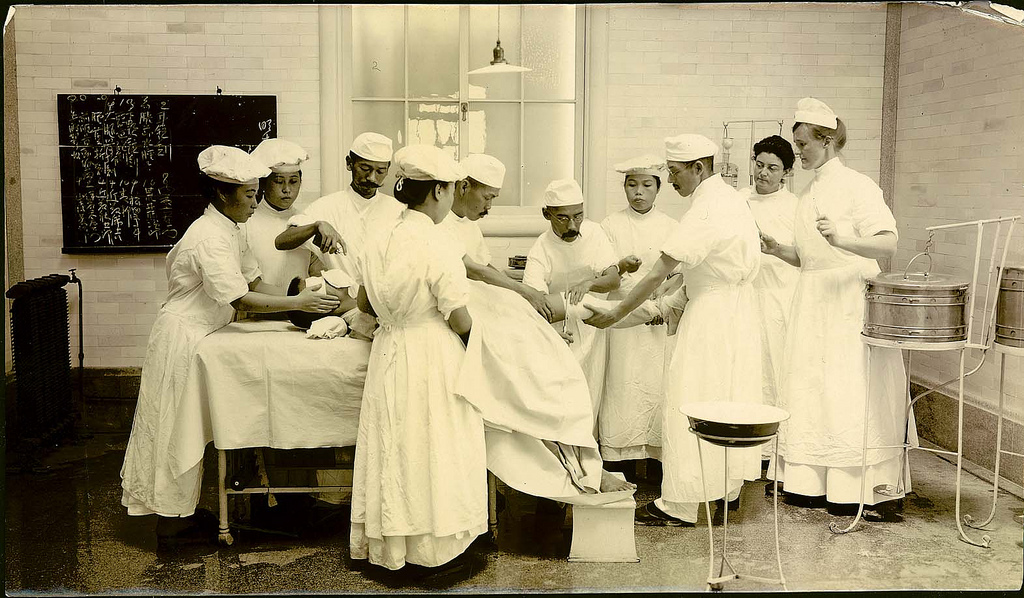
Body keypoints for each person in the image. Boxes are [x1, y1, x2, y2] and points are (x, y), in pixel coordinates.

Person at [119, 146, 341, 544]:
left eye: (256, 193)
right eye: (250, 194)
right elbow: (240, 299)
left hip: (206, 335)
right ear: (222, 194)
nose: (256, 203)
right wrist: (298, 304)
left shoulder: (232, 229)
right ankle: (170, 524)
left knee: (189, 429)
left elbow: (255, 282)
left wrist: (307, 298)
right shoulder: (208, 237)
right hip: (182, 337)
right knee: (174, 429)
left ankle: (181, 513)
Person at [588, 134, 763, 527]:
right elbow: (701, 274)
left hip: (711, 320)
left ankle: (680, 504)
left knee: (690, 400)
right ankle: (724, 491)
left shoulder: (705, 209)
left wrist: (617, 313)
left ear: (698, 168)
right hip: (737, 315)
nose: (670, 180)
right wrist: (657, 306)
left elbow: (657, 273)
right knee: (727, 399)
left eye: (674, 172)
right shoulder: (732, 200)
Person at [759, 98, 908, 520]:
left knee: (847, 387)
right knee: (812, 387)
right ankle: (811, 482)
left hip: (848, 302)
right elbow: (811, 257)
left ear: (826, 141)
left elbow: (887, 243)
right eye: (796, 143)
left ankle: (856, 487)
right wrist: (778, 249)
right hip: (813, 300)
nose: (798, 152)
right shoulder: (808, 192)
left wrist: (842, 239)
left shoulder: (858, 186)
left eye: (803, 144)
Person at [348, 144, 486, 575]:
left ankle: (391, 550)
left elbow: (363, 303)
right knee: (434, 444)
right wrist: (481, 344)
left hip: (389, 349)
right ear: (439, 191)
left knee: (393, 445)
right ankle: (434, 553)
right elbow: (458, 316)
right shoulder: (438, 241)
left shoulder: (378, 236)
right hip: (430, 353)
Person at [598, 155, 677, 480]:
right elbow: (604, 271)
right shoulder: (610, 225)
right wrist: (621, 268)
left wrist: (662, 303)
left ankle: (656, 463)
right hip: (622, 317)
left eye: (646, 185)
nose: (639, 192)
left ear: (658, 189)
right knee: (622, 385)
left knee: (655, 386)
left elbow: (678, 274)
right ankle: (620, 463)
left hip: (657, 317)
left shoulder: (671, 227)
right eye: (632, 185)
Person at [522, 179, 621, 426]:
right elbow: (535, 300)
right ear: (547, 214)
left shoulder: (594, 233)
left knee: (590, 396)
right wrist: (549, 332)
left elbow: (613, 279)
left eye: (578, 216)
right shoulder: (541, 248)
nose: (573, 226)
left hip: (593, 326)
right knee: (560, 402)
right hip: (556, 332)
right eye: (563, 218)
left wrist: (589, 283)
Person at [438, 153, 553, 321]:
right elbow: (473, 270)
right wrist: (523, 291)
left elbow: (485, 266)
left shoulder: (469, 222)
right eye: (487, 197)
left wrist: (518, 292)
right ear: (464, 187)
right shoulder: (440, 221)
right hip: (458, 311)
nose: (489, 206)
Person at [743, 135, 801, 464]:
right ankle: (748, 449)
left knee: (776, 368)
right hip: (745, 295)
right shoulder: (739, 200)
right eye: (759, 164)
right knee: (748, 367)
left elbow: (804, 256)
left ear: (786, 173)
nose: (763, 173)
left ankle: (776, 449)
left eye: (773, 168)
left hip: (780, 297)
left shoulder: (795, 207)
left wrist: (775, 248)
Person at [244, 138, 312, 296]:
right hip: (260, 308)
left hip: (303, 308)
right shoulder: (247, 222)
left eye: (293, 182)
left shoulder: (305, 220)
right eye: (279, 182)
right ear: (263, 184)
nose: (287, 189)